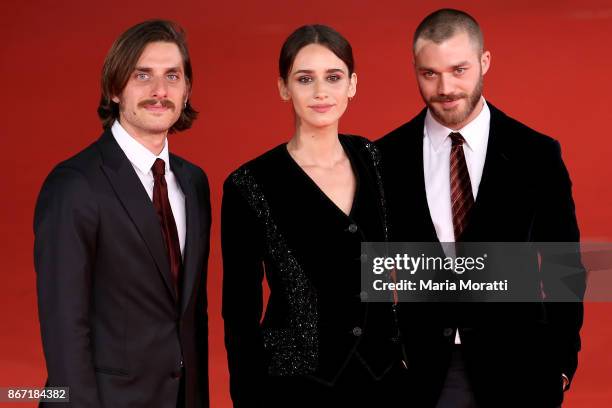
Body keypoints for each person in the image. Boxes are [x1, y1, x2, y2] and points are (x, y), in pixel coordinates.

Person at [376, 8, 585, 408]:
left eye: (459, 69)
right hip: (418, 372)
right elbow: (374, 268)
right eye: (429, 73)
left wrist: (561, 360)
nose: (445, 87)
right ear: (415, 70)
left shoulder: (536, 154)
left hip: (521, 368)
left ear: (484, 61)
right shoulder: (384, 158)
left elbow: (565, 264)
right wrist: (387, 351)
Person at [221, 24, 408, 407]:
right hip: (293, 386)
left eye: (333, 77)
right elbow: (239, 314)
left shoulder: (378, 161)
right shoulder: (248, 184)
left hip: (385, 380)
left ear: (352, 85)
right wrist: (246, 397)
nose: (321, 92)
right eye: (305, 79)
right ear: (283, 88)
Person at [34, 20, 210, 408]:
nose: (159, 91)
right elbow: (65, 327)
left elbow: (192, 317)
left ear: (186, 91)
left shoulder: (194, 184)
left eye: (172, 76)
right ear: (115, 88)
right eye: (142, 75)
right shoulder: (74, 185)